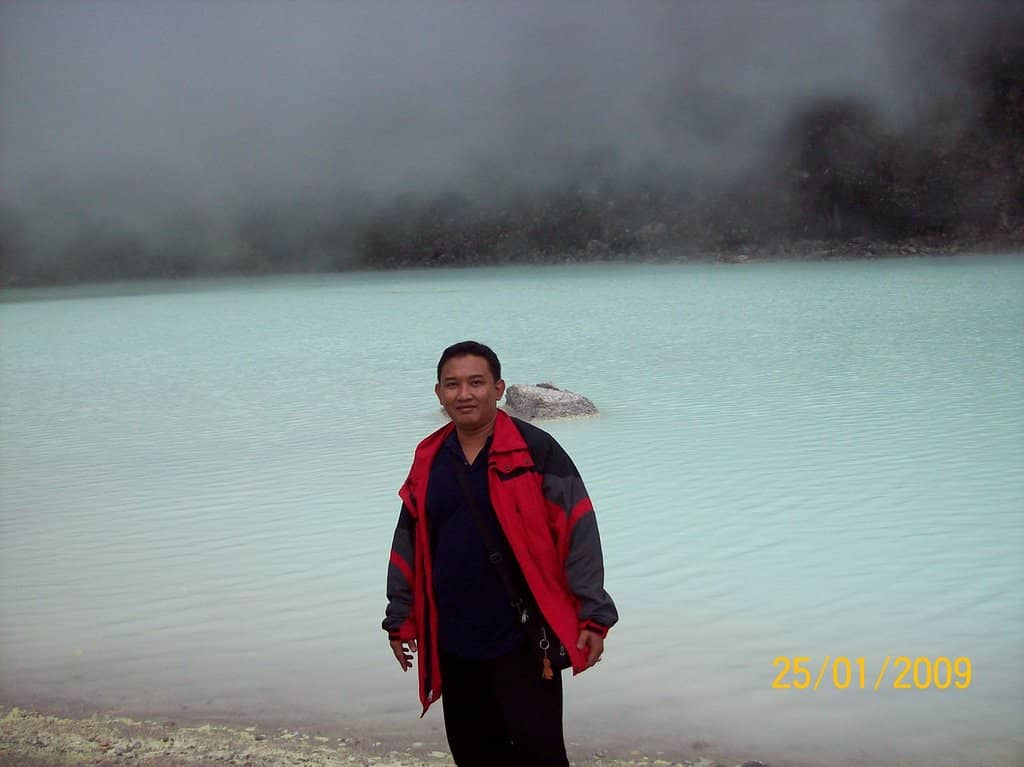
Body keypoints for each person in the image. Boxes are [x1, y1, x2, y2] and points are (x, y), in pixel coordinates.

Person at [382, 340, 618, 767]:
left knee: (540, 755)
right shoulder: (430, 457)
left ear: (499, 388)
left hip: (524, 640)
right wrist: (400, 617)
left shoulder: (536, 450)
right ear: (438, 393)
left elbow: (578, 531)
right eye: (452, 385)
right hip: (453, 639)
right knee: (474, 754)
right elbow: (408, 540)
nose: (464, 394)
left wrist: (594, 615)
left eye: (476, 382)